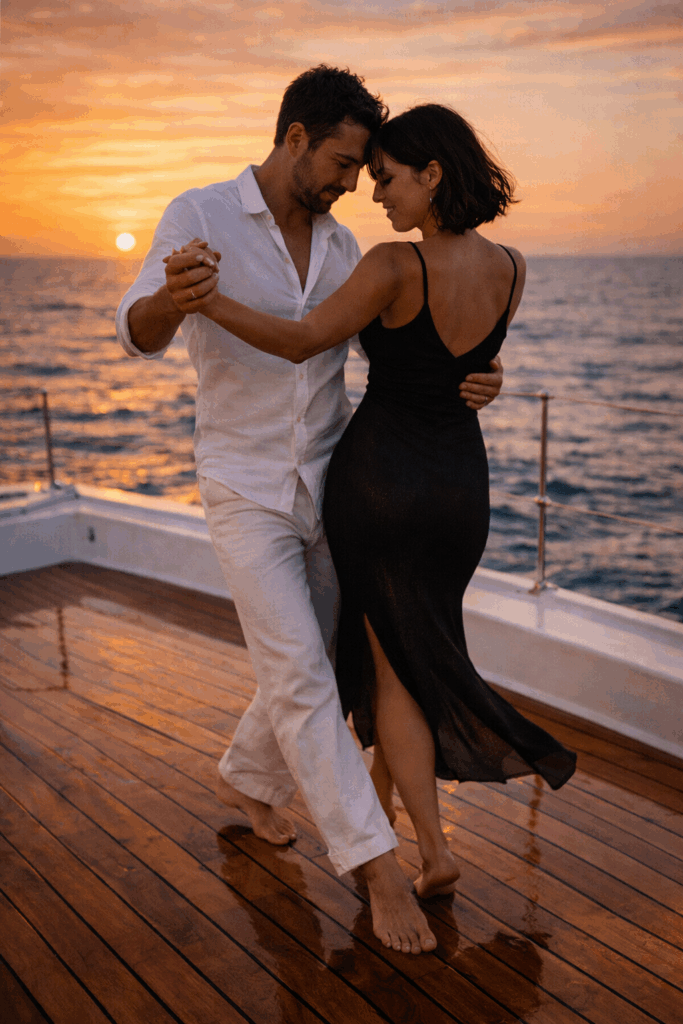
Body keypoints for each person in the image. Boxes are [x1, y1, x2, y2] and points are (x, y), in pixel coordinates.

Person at [116, 66, 504, 955]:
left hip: (335, 483)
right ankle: (374, 867)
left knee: (317, 658)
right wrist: (173, 302)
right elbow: (133, 330)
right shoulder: (199, 215)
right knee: (297, 671)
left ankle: (246, 777)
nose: (352, 183)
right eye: (341, 162)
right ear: (295, 137)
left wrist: (481, 374)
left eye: (363, 168)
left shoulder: (341, 247)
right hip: (243, 485)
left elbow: (399, 342)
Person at [164, 103, 578, 901]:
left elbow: (300, 342)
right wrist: (489, 380)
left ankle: (428, 849)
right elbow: (465, 361)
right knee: (417, 652)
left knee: (391, 671)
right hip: (460, 489)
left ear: (433, 175)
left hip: (381, 486)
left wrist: (206, 303)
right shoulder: (512, 267)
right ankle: (385, 815)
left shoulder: (393, 265)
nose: (374, 194)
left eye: (386, 179)